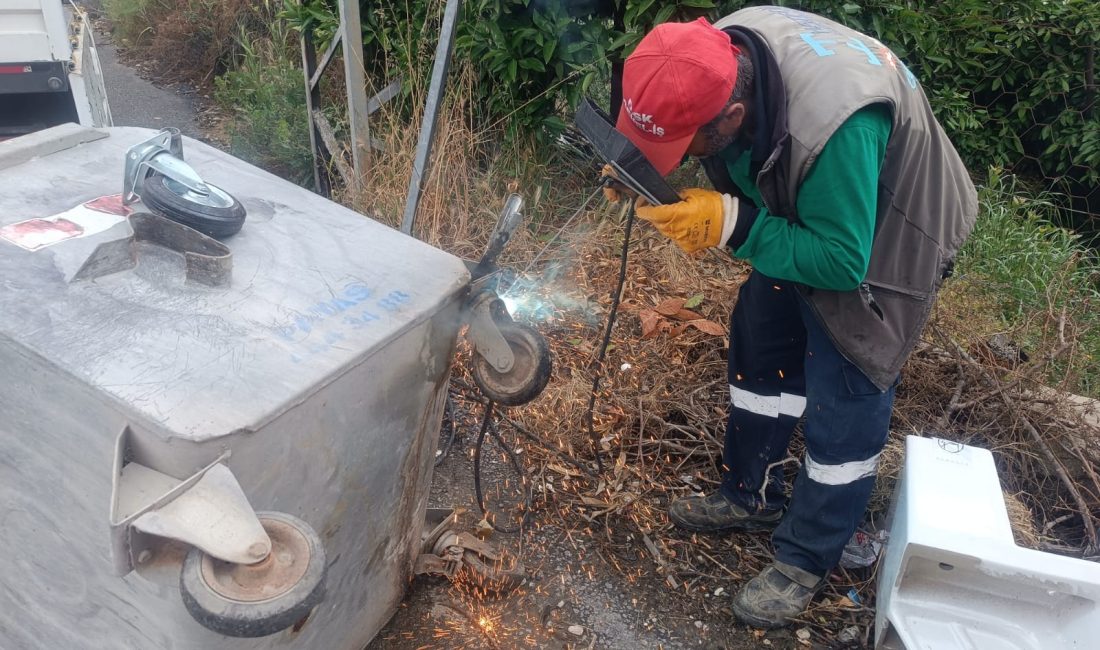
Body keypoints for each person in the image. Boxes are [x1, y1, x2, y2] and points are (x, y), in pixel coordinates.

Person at [606, 6, 977, 627]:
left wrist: (732, 223)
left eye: (679, 147)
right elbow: (735, 153)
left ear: (731, 117)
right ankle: (751, 492)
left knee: (848, 373)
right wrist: (638, 166)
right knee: (762, 330)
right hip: (810, 193)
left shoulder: (834, 128)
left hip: (888, 228)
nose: (674, 159)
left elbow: (839, 260)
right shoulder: (709, 55)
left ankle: (807, 555)